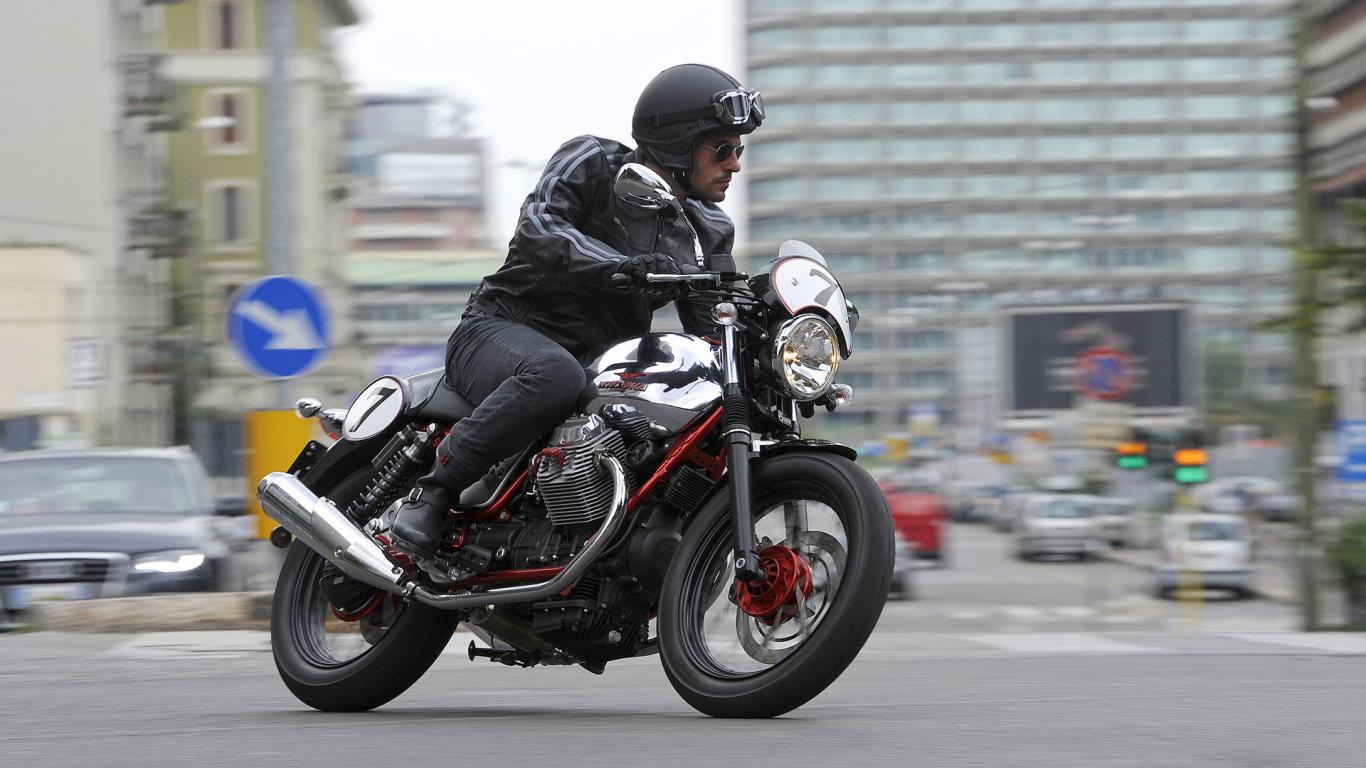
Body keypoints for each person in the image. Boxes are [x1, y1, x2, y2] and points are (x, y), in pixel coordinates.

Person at [390, 63, 765, 558]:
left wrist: (769, 337)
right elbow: (539, 228)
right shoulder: (592, 163)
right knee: (554, 375)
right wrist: (619, 267)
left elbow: (714, 323)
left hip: (592, 370)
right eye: (721, 149)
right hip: (500, 329)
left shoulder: (709, 227)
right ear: (678, 143)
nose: (734, 164)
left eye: (738, 150)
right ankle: (433, 492)